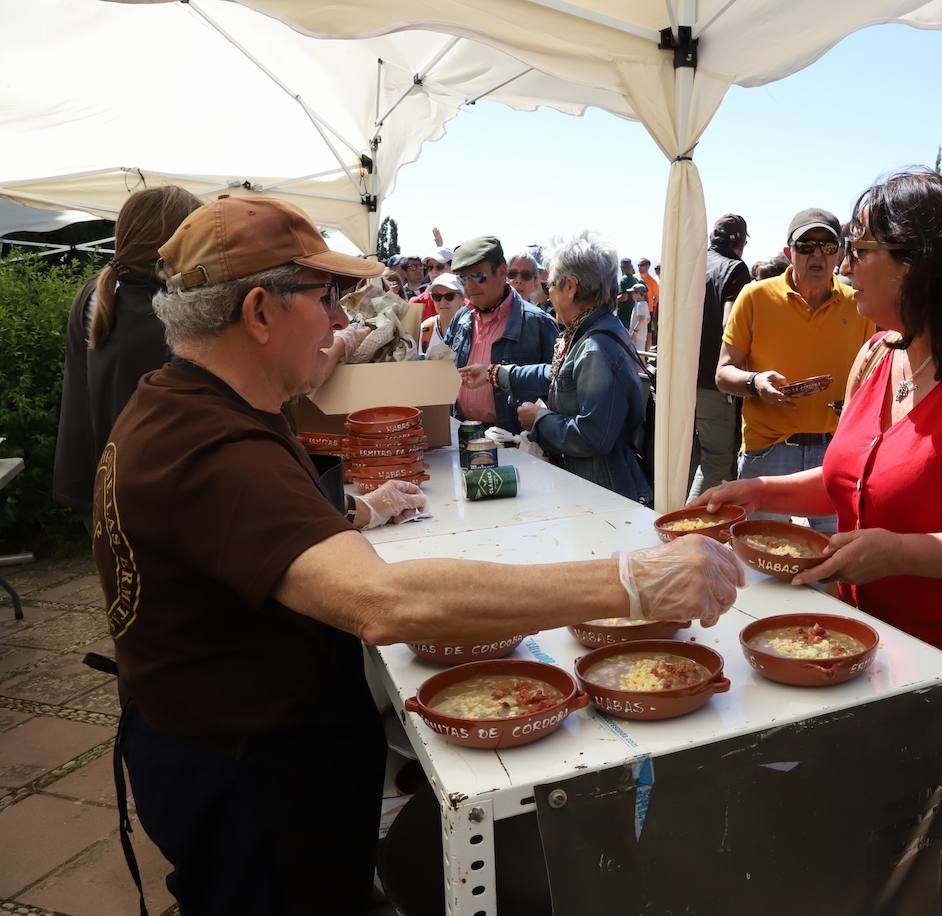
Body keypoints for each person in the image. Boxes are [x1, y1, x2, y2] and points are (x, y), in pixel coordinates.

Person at [98, 197, 744, 914]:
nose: (341, 320)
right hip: (247, 780)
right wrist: (631, 580)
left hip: (233, 754)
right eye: (326, 298)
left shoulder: (183, 405)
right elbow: (385, 603)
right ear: (258, 313)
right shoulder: (212, 445)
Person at [695, 169, 942, 916]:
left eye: (860, 248)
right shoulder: (879, 353)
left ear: (918, 262)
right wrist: (765, 491)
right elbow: (852, 480)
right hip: (886, 635)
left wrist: (897, 552)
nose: (842, 264)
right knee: (890, 818)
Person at [714, 207, 876, 534]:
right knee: (759, 553)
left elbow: (868, 378)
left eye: (827, 246)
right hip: (769, 451)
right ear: (789, 253)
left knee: (834, 556)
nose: (817, 254)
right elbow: (723, 374)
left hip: (835, 452)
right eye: (806, 246)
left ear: (840, 253)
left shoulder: (858, 304)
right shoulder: (755, 296)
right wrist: (756, 382)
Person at [460, 232, 653, 503]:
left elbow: (593, 436)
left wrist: (539, 420)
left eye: (550, 284)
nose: (546, 292)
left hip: (603, 493)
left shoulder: (596, 348)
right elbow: (555, 374)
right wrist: (496, 373)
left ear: (571, 286)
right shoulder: (589, 334)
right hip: (594, 486)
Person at [54, 186, 204, 527]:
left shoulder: (99, 290)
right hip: (144, 493)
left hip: (105, 478)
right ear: (173, 241)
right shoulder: (155, 310)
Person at [444, 235, 558, 434]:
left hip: (512, 443)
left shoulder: (537, 323)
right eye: (463, 278)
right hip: (463, 433)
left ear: (502, 271)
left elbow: (558, 384)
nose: (470, 286)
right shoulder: (462, 317)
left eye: (478, 276)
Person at [688, 214, 751, 501]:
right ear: (740, 242)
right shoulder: (735, 270)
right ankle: (682, 531)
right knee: (717, 461)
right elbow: (731, 323)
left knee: (695, 459)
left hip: (683, 379)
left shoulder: (694, 265)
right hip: (714, 383)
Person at [417, 272, 464, 356]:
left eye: (449, 296)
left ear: (462, 298)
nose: (442, 302)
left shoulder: (471, 328)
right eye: (437, 297)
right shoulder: (426, 328)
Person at [615, 256, 639, 328]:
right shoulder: (633, 279)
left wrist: (613, 299)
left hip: (624, 313)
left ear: (622, 267)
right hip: (631, 311)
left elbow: (624, 297)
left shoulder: (624, 279)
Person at [628, 282, 651, 352]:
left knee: (639, 356)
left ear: (638, 293)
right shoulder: (642, 304)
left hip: (638, 336)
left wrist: (634, 331)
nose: (631, 294)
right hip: (641, 335)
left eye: (633, 293)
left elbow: (641, 319)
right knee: (639, 355)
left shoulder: (640, 304)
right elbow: (648, 319)